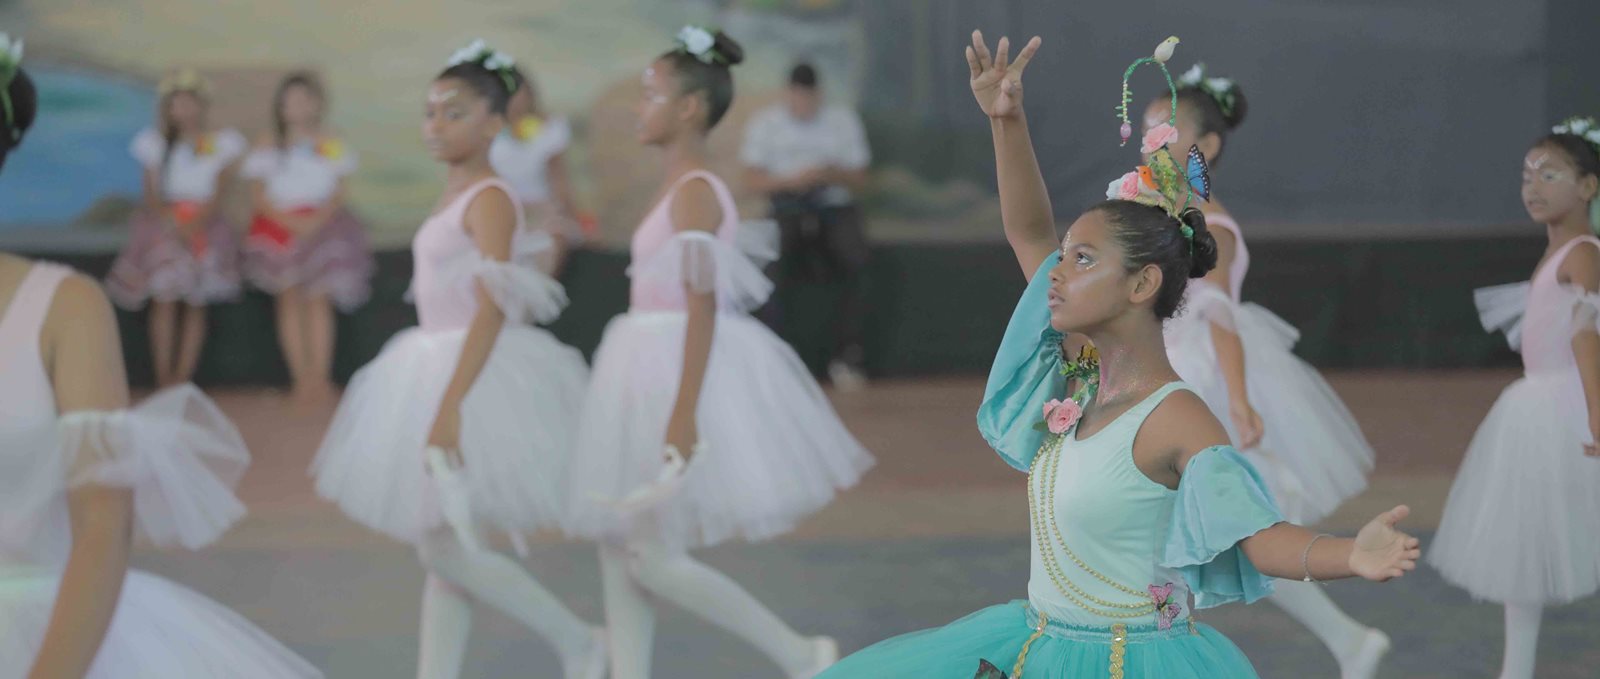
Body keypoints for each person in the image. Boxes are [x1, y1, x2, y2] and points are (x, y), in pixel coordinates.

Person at [816, 32, 1421, 679]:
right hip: (1041, 646)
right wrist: (1007, 120)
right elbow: (1025, 230)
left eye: (1081, 258)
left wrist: (1351, 551)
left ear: (1141, 284)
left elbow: (1259, 534)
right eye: (1065, 253)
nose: (1056, 271)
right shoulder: (1076, 379)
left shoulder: (1177, 416)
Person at [563, 27, 872, 679]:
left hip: (670, 364)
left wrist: (683, 412)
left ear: (689, 110)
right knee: (620, 545)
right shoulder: (680, 185)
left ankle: (798, 651)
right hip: (644, 357)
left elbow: (702, 305)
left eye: (650, 96)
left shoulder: (697, 189)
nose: (638, 108)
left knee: (647, 553)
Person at [307, 40, 604, 679]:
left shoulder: (491, 197)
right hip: (429, 363)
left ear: (494, 122)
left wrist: (450, 407)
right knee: (440, 548)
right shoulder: (456, 191)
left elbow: (495, 307)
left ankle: (579, 639)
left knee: (444, 549)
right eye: (431, 111)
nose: (436, 124)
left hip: (471, 373)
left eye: (455, 112)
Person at [1429, 115, 1600, 679]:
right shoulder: (1560, 253)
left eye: (1550, 174)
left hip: (1565, 409)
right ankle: (1516, 669)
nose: (1533, 186)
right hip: (1537, 407)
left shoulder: (1581, 252)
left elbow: (1586, 338)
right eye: (1527, 175)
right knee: (1526, 540)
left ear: (1588, 187)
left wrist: (1596, 417)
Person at [741, 61, 871, 389]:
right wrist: (791, 180)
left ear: (818, 95)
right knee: (769, 268)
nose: (803, 105)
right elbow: (751, 180)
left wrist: (829, 174)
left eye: (809, 98)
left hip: (832, 205)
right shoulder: (766, 123)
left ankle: (848, 356)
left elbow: (861, 178)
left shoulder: (841, 121)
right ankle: (772, 356)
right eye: (797, 98)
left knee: (858, 261)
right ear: (788, 94)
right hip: (787, 206)